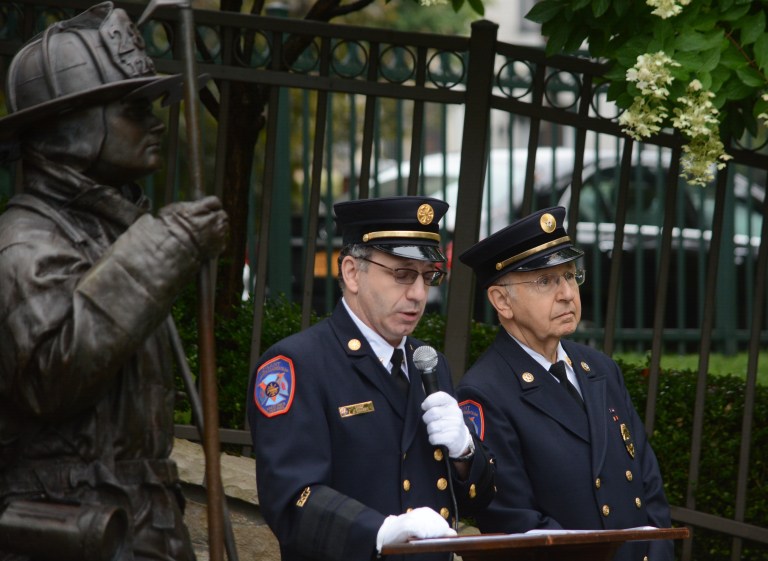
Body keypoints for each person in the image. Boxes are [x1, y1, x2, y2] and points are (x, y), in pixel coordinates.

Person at [0, 3, 228, 560]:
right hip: (68, 529)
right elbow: (52, 373)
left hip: (140, 528)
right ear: (72, 126)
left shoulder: (108, 233)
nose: (156, 121)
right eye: (133, 109)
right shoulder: (22, 240)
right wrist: (167, 248)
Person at [247, 196, 495, 561]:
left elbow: (479, 499)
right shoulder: (299, 364)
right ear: (351, 272)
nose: (418, 294)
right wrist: (376, 533)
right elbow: (291, 498)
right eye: (402, 274)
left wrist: (465, 453)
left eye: (428, 276)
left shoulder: (430, 364)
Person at [456, 206, 673, 561]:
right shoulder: (485, 392)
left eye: (570, 276)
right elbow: (515, 523)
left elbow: (647, 484)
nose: (567, 294)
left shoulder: (599, 369)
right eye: (545, 281)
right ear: (501, 301)